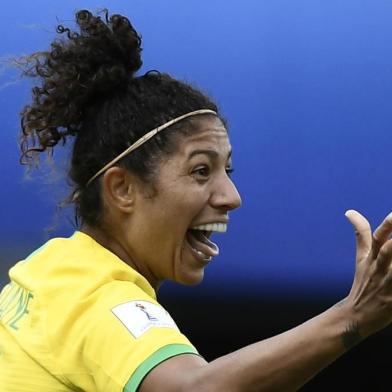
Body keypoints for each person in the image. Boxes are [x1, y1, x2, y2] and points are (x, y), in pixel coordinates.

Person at [1, 9, 392, 392]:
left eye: (228, 171)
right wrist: (354, 315)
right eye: (201, 170)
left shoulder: (48, 271)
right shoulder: (98, 298)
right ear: (122, 188)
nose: (231, 197)